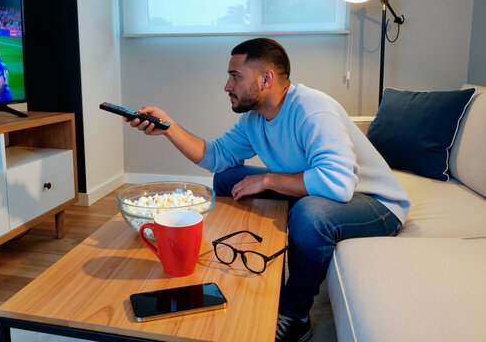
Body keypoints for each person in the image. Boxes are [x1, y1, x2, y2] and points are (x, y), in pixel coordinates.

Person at [126, 38, 411, 342]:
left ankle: (295, 315)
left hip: (374, 203)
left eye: (235, 76)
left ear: (266, 78)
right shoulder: (255, 118)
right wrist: (168, 127)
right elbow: (215, 156)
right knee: (227, 178)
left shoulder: (312, 109)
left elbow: (339, 185)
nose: (226, 86)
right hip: (328, 193)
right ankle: (243, 258)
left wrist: (268, 180)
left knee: (309, 214)